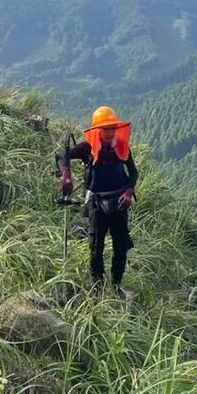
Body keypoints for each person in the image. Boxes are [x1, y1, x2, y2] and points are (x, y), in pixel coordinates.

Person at [58, 106, 138, 294]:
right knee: (96, 247)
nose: (111, 133)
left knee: (121, 247)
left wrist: (129, 191)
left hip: (119, 203)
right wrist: (66, 173)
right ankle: (98, 288)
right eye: (106, 129)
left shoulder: (122, 147)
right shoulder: (88, 149)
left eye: (113, 128)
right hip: (96, 204)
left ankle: (117, 286)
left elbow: (133, 172)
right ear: (98, 131)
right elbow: (62, 155)